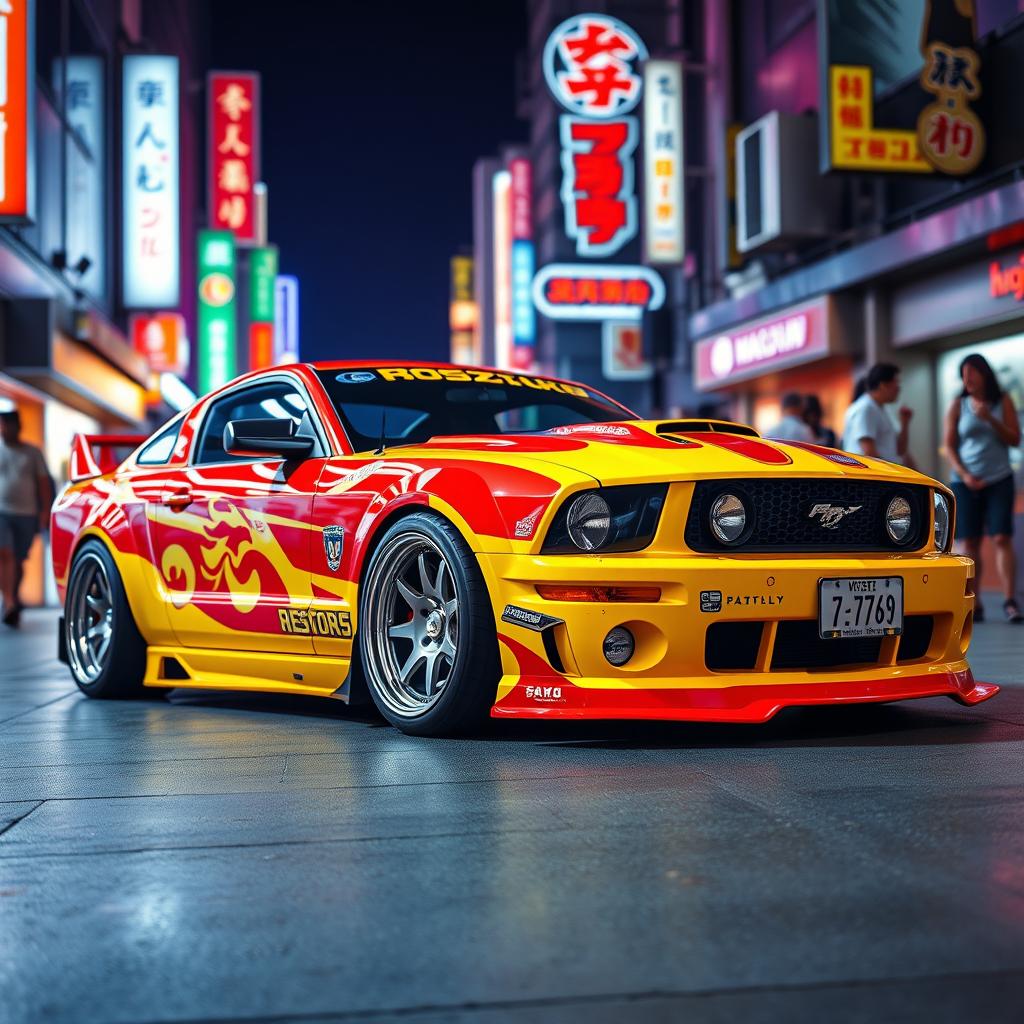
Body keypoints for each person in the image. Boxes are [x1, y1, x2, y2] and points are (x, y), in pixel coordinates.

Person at [944, 353, 1022, 623]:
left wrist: (990, 418)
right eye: (963, 374)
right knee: (970, 541)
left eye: (971, 372)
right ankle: (974, 604)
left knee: (1001, 537)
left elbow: (1015, 439)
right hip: (965, 481)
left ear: (984, 374)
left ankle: (1010, 600)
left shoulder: (1003, 402)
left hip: (999, 478)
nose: (966, 378)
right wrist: (964, 475)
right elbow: (949, 446)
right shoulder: (958, 404)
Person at [0, 409, 53, 627]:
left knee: (19, 560)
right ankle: (10, 601)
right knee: (6, 554)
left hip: (27, 513)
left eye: (6, 425)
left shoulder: (32, 453)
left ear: (16, 427)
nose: (3, 430)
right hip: (1, 512)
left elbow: (43, 483)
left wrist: (45, 513)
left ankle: (13, 596)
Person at [842, 362, 913, 464]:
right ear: (883, 385)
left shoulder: (882, 409)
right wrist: (889, 475)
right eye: (896, 382)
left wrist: (905, 423)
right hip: (871, 477)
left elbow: (900, 450)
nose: (899, 388)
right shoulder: (865, 408)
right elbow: (869, 453)